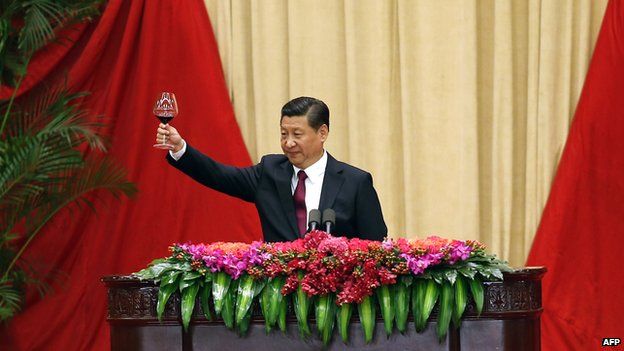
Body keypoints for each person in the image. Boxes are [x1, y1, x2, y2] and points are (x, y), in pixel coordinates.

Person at [156, 96, 387, 242]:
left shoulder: (355, 182)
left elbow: (375, 246)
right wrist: (180, 148)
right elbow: (219, 175)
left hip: (338, 306)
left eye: (297, 134)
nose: (288, 143)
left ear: (322, 133)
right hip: (279, 303)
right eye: (283, 134)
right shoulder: (269, 172)